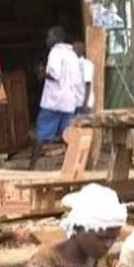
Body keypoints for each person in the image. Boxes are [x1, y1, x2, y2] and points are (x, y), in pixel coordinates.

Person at [29, 26, 81, 170]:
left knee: (40, 134)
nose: (47, 40)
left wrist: (41, 73)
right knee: (67, 135)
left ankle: (31, 167)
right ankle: (71, 166)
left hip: (53, 102)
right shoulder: (72, 54)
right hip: (69, 101)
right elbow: (77, 79)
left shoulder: (55, 52)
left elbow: (54, 74)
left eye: (48, 37)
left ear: (56, 39)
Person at [72, 41, 94, 114]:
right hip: (75, 102)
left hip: (82, 103)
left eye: (73, 49)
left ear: (79, 51)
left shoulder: (86, 64)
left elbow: (88, 84)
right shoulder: (73, 64)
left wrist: (85, 104)